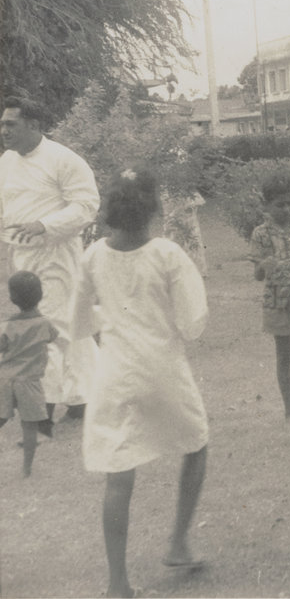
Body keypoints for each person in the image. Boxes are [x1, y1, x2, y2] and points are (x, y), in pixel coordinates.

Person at [70, 169, 209, 598]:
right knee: (196, 444)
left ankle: (118, 583)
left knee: (118, 471)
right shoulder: (167, 254)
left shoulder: (93, 255)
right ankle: (179, 542)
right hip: (162, 367)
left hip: (114, 372)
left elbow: (76, 323)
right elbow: (192, 324)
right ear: (152, 207)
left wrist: (108, 321)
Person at [0, 96, 99, 423]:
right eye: (2, 124)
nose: (4, 131)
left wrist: (45, 225)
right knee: (67, 324)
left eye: (10, 124)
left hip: (57, 253)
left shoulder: (63, 159)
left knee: (51, 323)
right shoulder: (6, 163)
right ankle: (82, 396)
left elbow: (86, 205)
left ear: (34, 125)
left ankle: (43, 407)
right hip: (22, 256)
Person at [249, 173, 290, 420]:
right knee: (284, 353)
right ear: (266, 206)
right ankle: (289, 408)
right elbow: (257, 274)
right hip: (277, 298)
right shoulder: (260, 234)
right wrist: (263, 266)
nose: (287, 209)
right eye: (280, 204)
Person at [0, 271, 58, 477]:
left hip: (5, 379)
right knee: (30, 426)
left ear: (12, 298)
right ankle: (26, 468)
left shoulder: (7, 324)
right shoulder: (45, 323)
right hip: (30, 382)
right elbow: (53, 336)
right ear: (41, 295)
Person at [162, 189, 208, 276]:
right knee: (172, 239)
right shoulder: (166, 191)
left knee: (192, 239)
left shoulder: (186, 187)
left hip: (187, 216)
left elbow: (196, 204)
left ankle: (197, 269)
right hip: (173, 215)